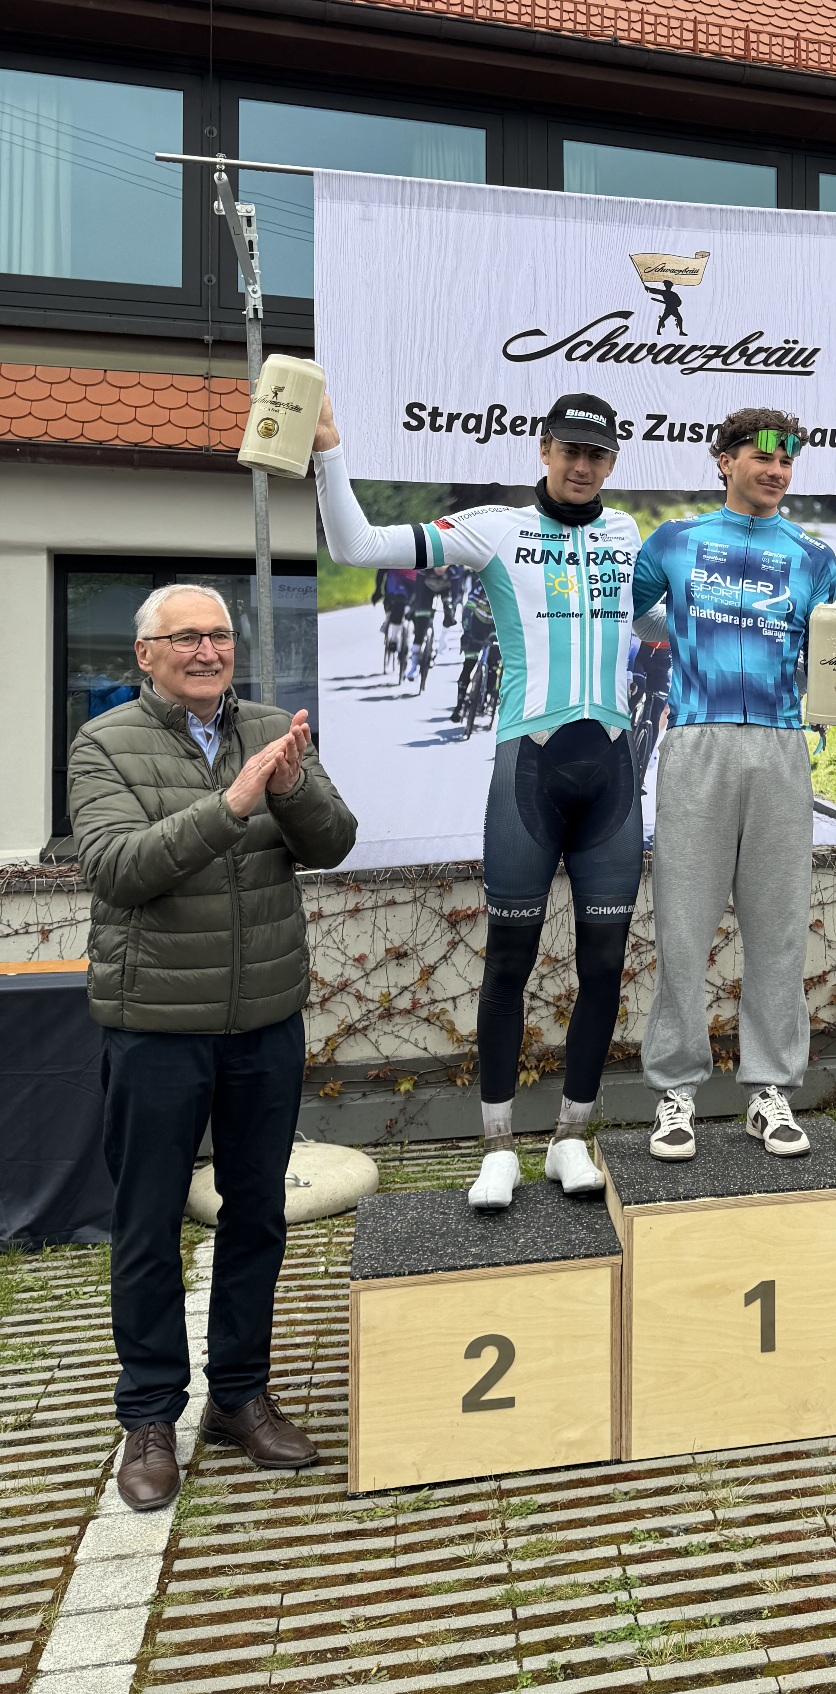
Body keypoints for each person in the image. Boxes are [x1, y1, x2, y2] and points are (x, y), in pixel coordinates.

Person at [314, 391, 642, 1213]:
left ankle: (571, 1136)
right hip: (530, 770)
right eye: (569, 449)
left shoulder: (627, 533)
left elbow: (671, 619)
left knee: (605, 966)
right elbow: (357, 545)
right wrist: (328, 450)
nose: (581, 466)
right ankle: (497, 1147)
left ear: (611, 462)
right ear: (544, 449)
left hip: (612, 772)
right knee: (507, 964)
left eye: (596, 454)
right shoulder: (495, 529)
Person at [68, 586, 357, 1510]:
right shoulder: (104, 743)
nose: (207, 650)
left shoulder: (271, 729)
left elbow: (335, 843)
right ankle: (150, 1415)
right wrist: (231, 804)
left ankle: (239, 1394)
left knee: (257, 1215)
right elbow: (116, 869)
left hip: (264, 1019)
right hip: (155, 1025)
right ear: (145, 654)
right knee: (147, 1223)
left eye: (220, 635)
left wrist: (292, 787)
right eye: (186, 636)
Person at [631, 409, 836, 1161]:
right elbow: (641, 617)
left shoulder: (815, 556)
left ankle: (769, 1090)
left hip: (781, 743)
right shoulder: (674, 541)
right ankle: (675, 1094)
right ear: (724, 461)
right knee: (683, 926)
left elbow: (829, 654)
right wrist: (686, 638)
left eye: (787, 462)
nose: (777, 472)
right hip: (697, 739)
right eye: (762, 458)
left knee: (778, 929)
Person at [451, 577, 500, 723]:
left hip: (495, 626)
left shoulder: (508, 587)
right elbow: (468, 608)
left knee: (494, 664)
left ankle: (489, 695)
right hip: (477, 626)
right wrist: (466, 631)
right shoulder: (480, 584)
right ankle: (459, 705)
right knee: (468, 664)